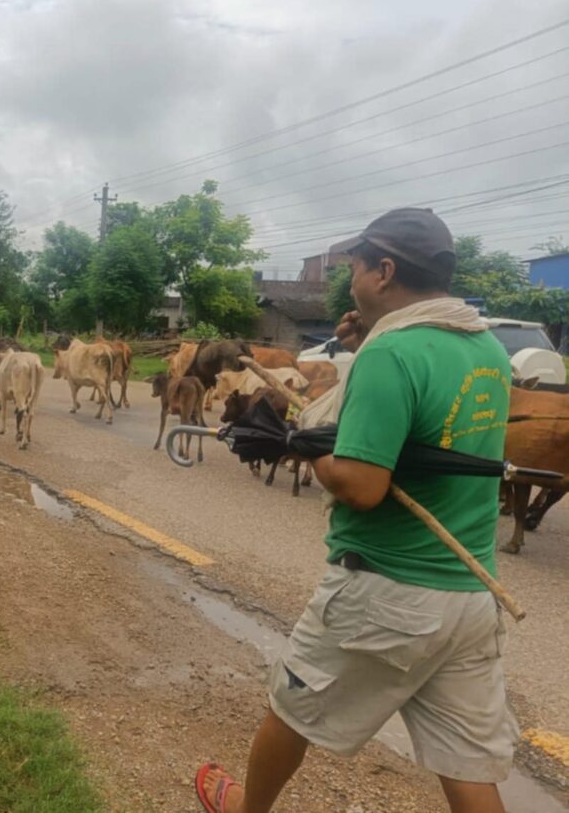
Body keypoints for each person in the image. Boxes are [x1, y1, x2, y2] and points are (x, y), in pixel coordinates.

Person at [196, 208, 519, 813]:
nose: (349, 283)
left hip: (387, 592)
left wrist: (301, 446)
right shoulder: (487, 349)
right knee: (468, 768)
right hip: (469, 596)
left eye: (356, 268)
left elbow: (363, 486)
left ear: (384, 271)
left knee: (289, 709)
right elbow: (427, 420)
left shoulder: (391, 354)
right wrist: (368, 342)